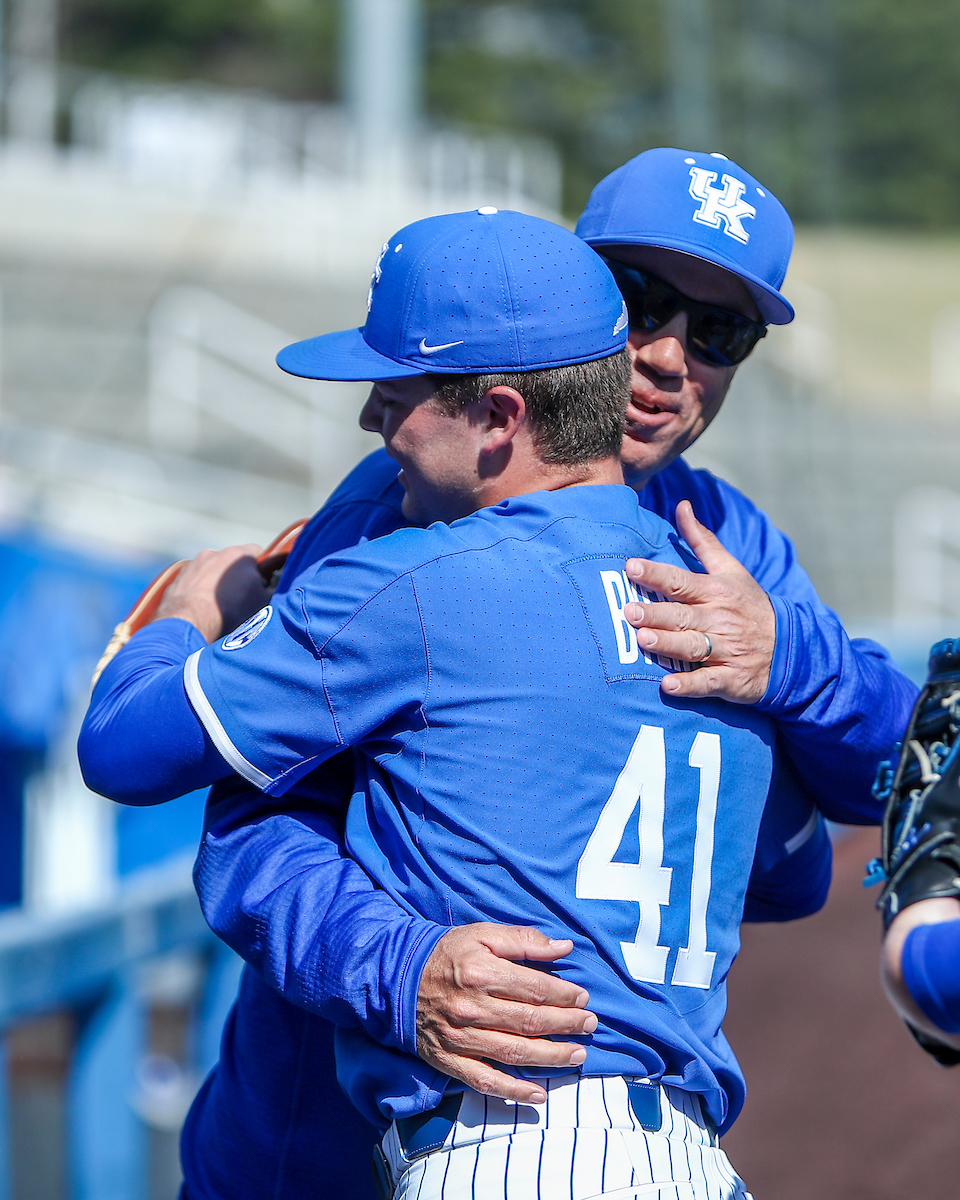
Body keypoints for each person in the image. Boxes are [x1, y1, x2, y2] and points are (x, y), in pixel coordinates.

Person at [81, 151, 916, 1199]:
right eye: (637, 298)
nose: (664, 355)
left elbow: (894, 780)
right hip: (317, 1139)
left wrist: (797, 663)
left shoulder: (732, 545)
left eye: (718, 332)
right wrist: (389, 961)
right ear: (569, 287)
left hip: (550, 1120)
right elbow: (254, 818)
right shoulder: (399, 515)